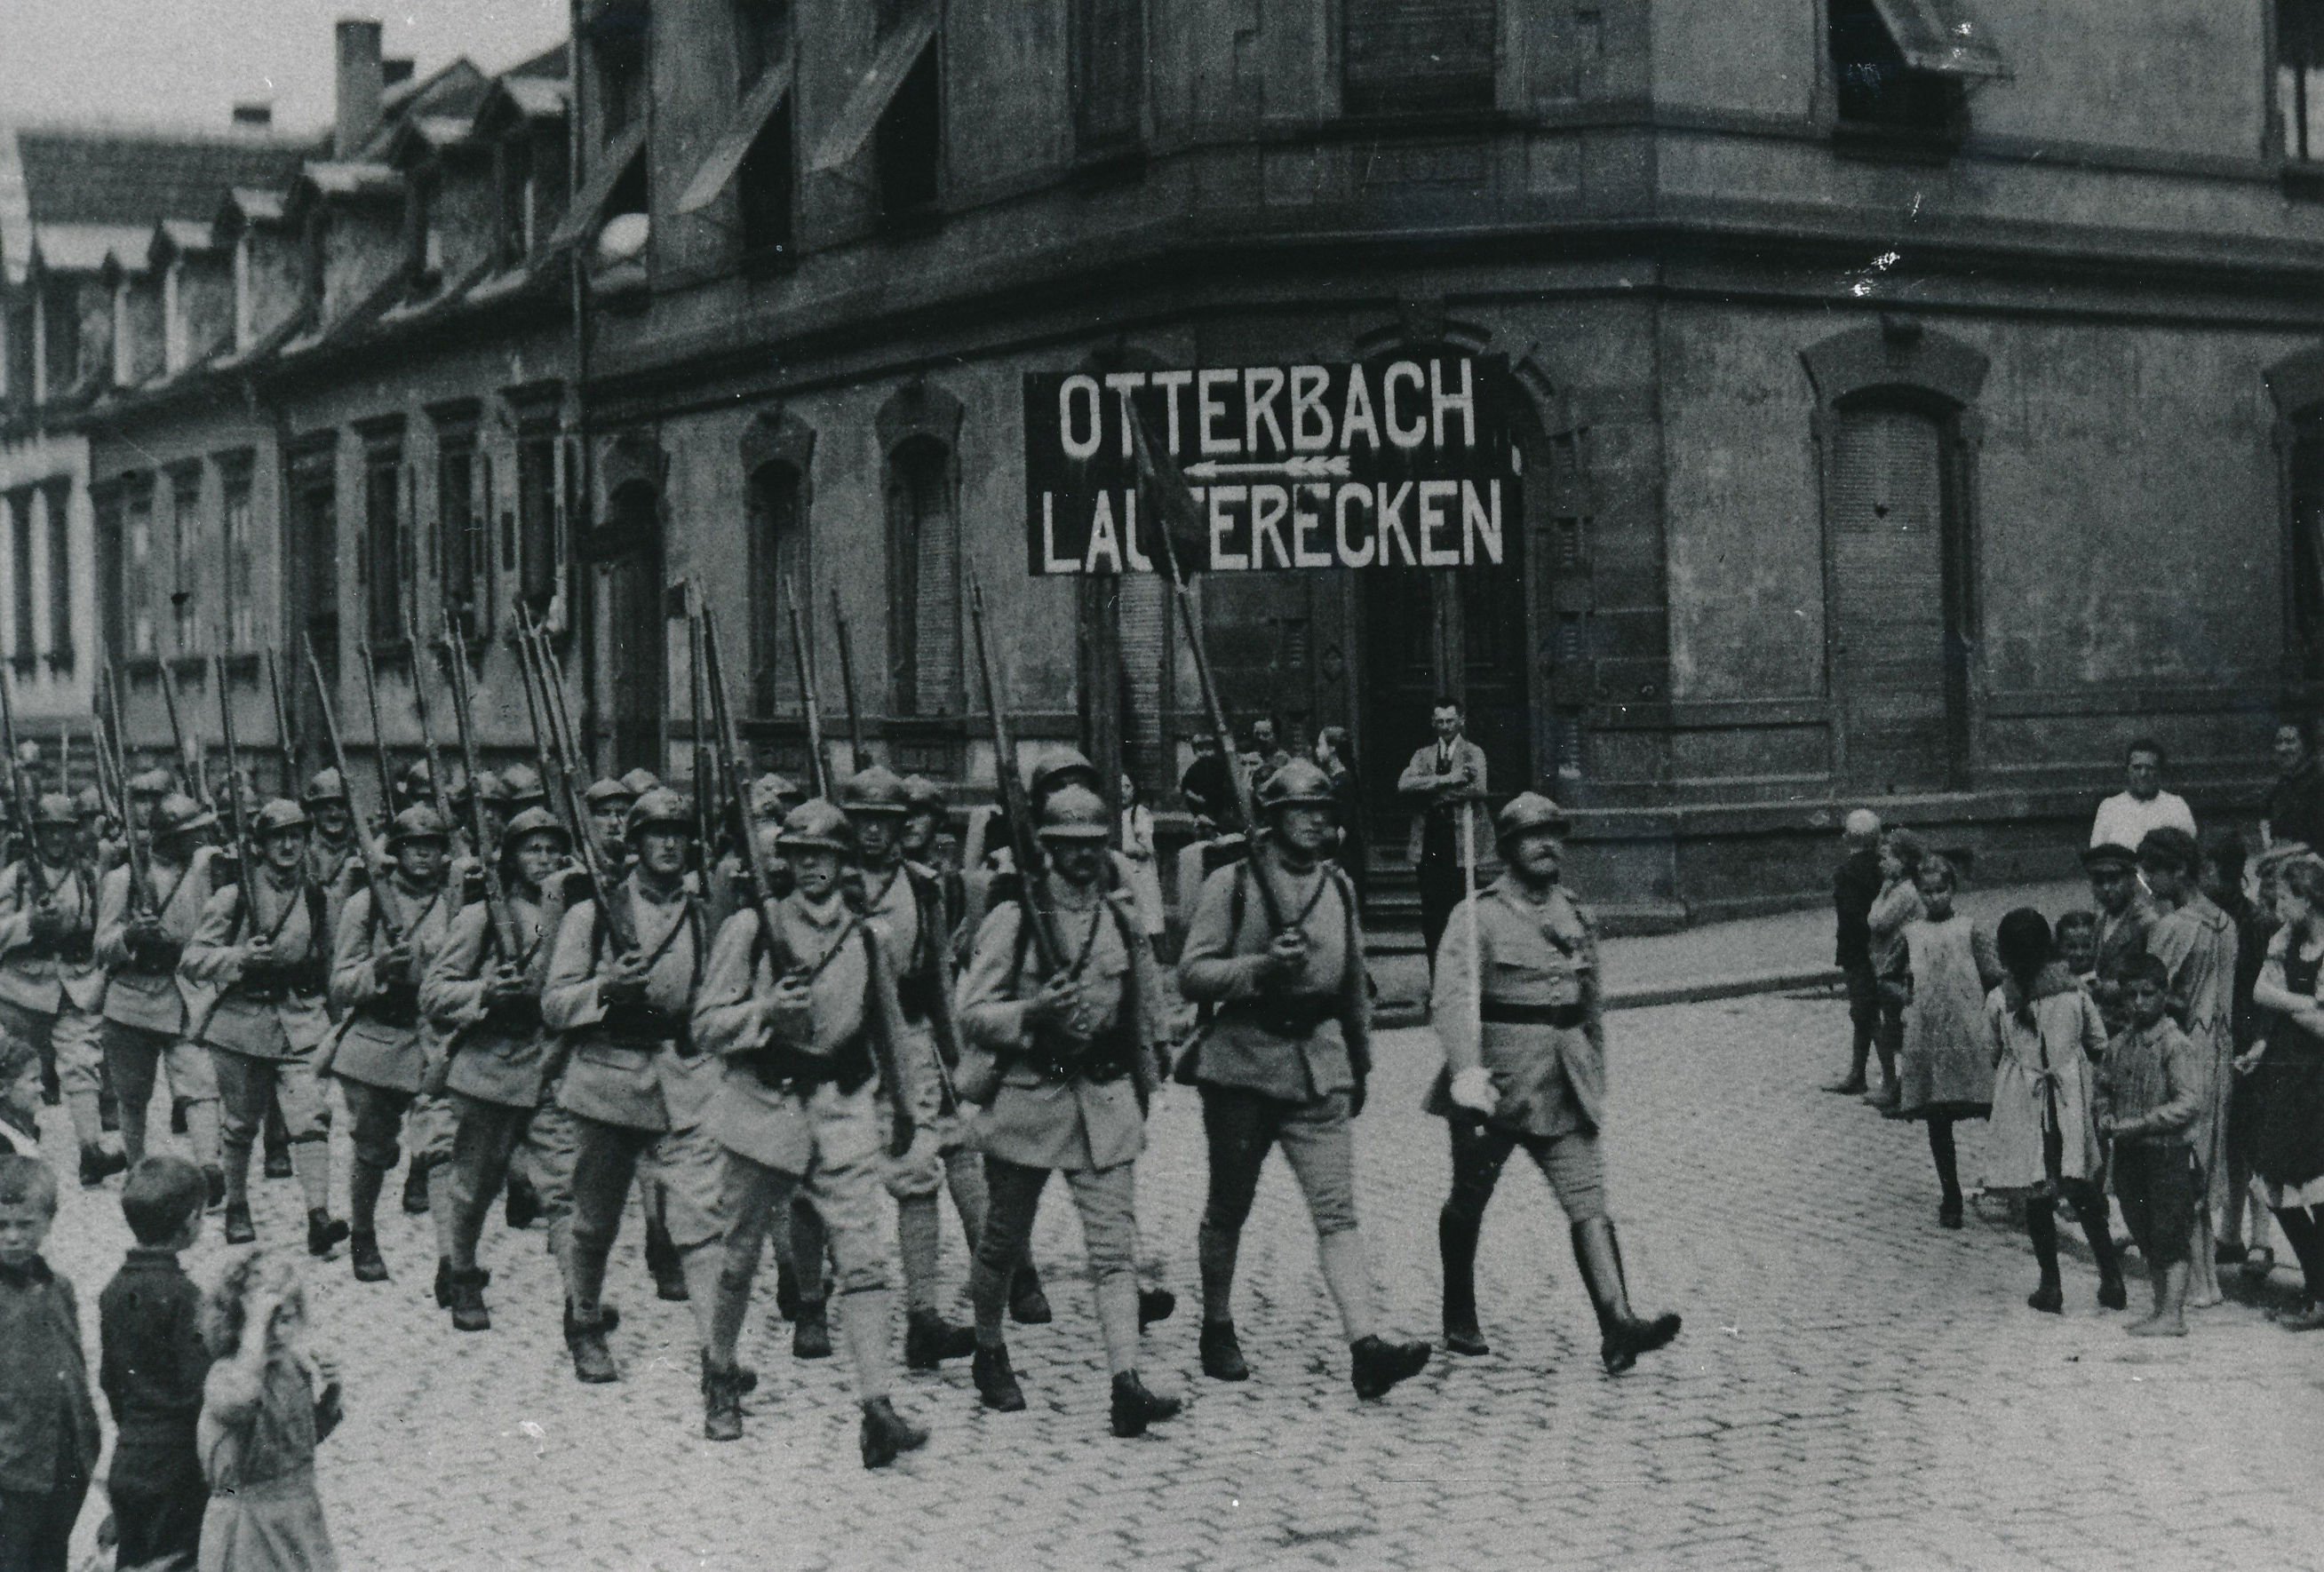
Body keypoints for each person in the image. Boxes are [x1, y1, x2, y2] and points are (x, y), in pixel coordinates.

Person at [1178, 760, 1431, 1399]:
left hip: (1319, 1067)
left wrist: (1361, 1062)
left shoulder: (1337, 889)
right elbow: (1193, 974)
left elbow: (1353, 986)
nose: (1319, 819)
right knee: (1229, 1205)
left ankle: (1365, 1344)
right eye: (1302, 809)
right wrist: (1261, 968)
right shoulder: (1230, 884)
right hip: (1241, 1063)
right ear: (1271, 817)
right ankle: (1216, 1324)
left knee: (1336, 1210)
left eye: (1325, 808)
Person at [691, 800, 934, 1462]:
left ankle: (876, 1405)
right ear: (787, 862)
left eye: (825, 857)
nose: (813, 869)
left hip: (840, 1111)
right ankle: (719, 1370)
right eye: (801, 856)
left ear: (843, 861)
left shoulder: (866, 937)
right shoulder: (750, 928)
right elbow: (706, 1024)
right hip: (765, 1107)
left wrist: (906, 1108)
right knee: (739, 1255)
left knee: (862, 1260)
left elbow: (889, 1027)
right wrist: (766, 1011)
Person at [955, 783, 1182, 1436]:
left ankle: (1125, 1382)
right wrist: (1033, 1012)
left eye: (1092, 845)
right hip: (1030, 1096)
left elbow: (1141, 1010)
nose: (1083, 858)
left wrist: (1150, 1085)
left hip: (1103, 1101)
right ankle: (990, 1350)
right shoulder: (1014, 919)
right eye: (1068, 847)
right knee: (1002, 1242)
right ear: (1047, 849)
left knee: (1114, 1254)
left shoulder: (1120, 918)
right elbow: (971, 1016)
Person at [1427, 792, 1681, 1371]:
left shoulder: (1574, 913)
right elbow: (1450, 999)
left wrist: (1595, 1072)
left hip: (1565, 1082)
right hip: (1497, 1084)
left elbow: (1592, 1006)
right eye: (1532, 837)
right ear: (1508, 848)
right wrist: (1466, 1071)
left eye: (1553, 834)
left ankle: (1617, 1322)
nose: (1546, 845)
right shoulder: (1478, 917)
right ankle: (1459, 1312)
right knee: (1470, 1198)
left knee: (1588, 1200)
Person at [539, 788, 723, 1385]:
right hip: (608, 1078)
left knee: (699, 1222)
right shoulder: (593, 914)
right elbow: (555, 1003)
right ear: (635, 844)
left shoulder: (703, 916)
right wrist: (606, 989)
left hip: (682, 1083)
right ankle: (585, 1321)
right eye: (655, 834)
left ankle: (717, 1355)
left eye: (678, 833)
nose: (668, 844)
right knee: (595, 1220)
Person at [840, 766, 983, 1371]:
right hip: (841, 1043)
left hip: (908, 1042)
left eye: (886, 822)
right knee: (821, 1177)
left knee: (918, 1170)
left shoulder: (924, 888)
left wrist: (955, 1054)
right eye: (864, 821)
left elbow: (939, 973)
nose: (875, 833)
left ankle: (923, 1315)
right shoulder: (829, 883)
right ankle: (812, 1295)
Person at [421, 807, 583, 1333]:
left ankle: (580, 1303)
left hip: (548, 1063)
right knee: (474, 1185)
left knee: (563, 1190)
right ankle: (464, 1274)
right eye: (531, 849)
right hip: (489, 1066)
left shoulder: (576, 915)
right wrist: (484, 990)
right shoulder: (483, 917)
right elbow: (435, 991)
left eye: (550, 849)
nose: (543, 859)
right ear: (511, 858)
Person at [179, 800, 347, 1256]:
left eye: (297, 835)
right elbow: (193, 959)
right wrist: (238, 959)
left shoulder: (318, 898)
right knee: (239, 1124)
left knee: (311, 1117)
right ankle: (236, 1205)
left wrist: (337, 1025)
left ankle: (318, 1215)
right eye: (279, 837)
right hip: (242, 1023)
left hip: (301, 1020)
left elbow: (331, 962)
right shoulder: (234, 897)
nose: (289, 845)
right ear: (259, 846)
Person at [327, 806, 458, 1287]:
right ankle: (363, 1233)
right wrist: (378, 970)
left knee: (442, 1150)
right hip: (378, 1039)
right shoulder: (366, 905)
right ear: (396, 851)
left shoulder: (456, 904)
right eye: (412, 845)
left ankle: (453, 1262)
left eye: (432, 846)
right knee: (372, 1149)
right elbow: (340, 983)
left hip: (433, 1040)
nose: (423, 855)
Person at [1985, 909, 2124, 1315]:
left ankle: (2051, 1284)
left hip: (2026, 1106)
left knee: (2037, 1194)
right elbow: (2099, 1042)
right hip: (2069, 1106)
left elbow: (1992, 1051)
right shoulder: (2075, 992)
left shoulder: (1999, 999)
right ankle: (2111, 1277)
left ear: (2004, 955)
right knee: (2083, 1191)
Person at [97, 793, 224, 1195]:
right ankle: (136, 1170)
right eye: (191, 833)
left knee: (200, 1085)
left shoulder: (204, 870)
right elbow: (101, 946)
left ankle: (209, 1167)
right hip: (133, 998)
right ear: (170, 837)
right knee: (133, 1095)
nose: (199, 839)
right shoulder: (124, 880)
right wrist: (130, 935)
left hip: (186, 993)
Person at [0, 791, 121, 1187]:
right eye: (48, 830)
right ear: (35, 833)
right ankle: (16, 1140)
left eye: (64, 831)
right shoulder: (17, 876)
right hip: (22, 988)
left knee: (81, 1063)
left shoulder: (88, 875)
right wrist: (29, 921)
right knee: (18, 1070)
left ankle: (91, 1151)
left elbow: (105, 926)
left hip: (74, 984)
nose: (56, 839)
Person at [195, 1246, 341, 1572]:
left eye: (286, 1320)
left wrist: (331, 1394)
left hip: (297, 1518)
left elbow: (296, 1440)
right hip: (248, 1526)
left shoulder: (291, 1369)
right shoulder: (227, 1374)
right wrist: (253, 1335)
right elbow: (239, 1402)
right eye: (265, 1323)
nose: (277, 1333)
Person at [2139, 824, 2237, 1308]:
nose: (2148, 883)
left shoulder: (2174, 927)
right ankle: (2209, 1280)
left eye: (2152, 873)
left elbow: (2153, 994)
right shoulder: (2226, 921)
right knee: (2207, 1155)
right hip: (2220, 1048)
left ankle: (2198, 1280)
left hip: (2185, 1051)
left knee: (2182, 1162)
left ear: (2178, 871)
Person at [99, 1155, 212, 1570]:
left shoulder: (113, 1292)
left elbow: (111, 1381)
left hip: (129, 1458)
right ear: (190, 1222)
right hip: (178, 1465)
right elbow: (199, 1389)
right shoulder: (186, 1297)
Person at [1886, 856, 2001, 1228]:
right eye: (1927, 891)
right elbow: (1886, 976)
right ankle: (1950, 1194)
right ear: (1918, 893)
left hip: (1970, 1030)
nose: (1934, 898)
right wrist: (1908, 1000)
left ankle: (2003, 1182)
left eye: (1941, 890)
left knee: (1992, 1105)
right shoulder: (1911, 933)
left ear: (1953, 890)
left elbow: (1992, 974)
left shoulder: (1970, 929)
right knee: (1937, 1115)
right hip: (1930, 1033)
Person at [2095, 955, 2207, 1338]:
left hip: (2166, 1152)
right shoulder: (2118, 1046)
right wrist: (2105, 1115)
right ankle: (2160, 1308)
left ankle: (2173, 1313)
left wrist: (2143, 1123)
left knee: (2170, 1231)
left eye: (2147, 993)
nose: (2138, 1002)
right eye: (2131, 995)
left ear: (2164, 994)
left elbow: (2189, 1101)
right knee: (2141, 1227)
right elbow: (2103, 1089)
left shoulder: (2176, 1045)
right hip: (2130, 1154)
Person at [0, 1155, 98, 1572]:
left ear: (49, 1220)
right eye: (1, 1225)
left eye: (25, 1224)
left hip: (65, 1462)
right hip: (11, 1474)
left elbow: (73, 1367)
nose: (12, 1237)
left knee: (51, 1558)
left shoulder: (60, 1288)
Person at [2246, 853, 2324, 1330]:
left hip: (2317, 1079)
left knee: (2316, 1187)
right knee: (2273, 1180)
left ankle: (2318, 1295)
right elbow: (2261, 992)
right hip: (2284, 1071)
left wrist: (2288, 1003)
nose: (2277, 907)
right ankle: (2317, 1283)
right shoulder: (2286, 940)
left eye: (2284, 898)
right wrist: (2308, 1001)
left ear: (2309, 898)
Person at [2206, 828, 2273, 1270]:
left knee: (2250, 1140)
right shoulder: (2209, 914)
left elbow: (2254, 988)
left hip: (2246, 1036)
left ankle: (2261, 1239)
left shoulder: (2250, 923)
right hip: (2223, 1033)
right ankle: (2230, 1234)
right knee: (2229, 1139)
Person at [1397, 698, 1488, 981]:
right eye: (1440, 721)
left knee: (1462, 913)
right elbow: (1404, 785)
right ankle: (1439, 979)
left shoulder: (1473, 753)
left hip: (1461, 845)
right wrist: (1448, 780)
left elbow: (1478, 789)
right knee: (1432, 916)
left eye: (1451, 721)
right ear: (1433, 723)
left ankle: (1465, 979)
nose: (1446, 727)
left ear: (1461, 721)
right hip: (1429, 845)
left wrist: (1431, 792)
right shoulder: (1422, 755)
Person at [1862, 829, 1927, 1111]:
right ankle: (1895, 1083)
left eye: (1886, 857)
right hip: (1887, 963)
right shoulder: (1893, 888)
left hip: (1897, 968)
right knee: (1892, 1025)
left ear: (1903, 860)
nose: (1881, 863)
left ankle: (1895, 1086)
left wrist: (1879, 899)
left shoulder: (1903, 892)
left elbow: (1878, 921)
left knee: (1895, 1025)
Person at [1825, 808, 1885, 1095]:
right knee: (1869, 1013)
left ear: (1847, 838)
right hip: (1882, 950)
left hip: (1858, 952)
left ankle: (1883, 1078)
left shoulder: (1846, 873)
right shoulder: (1884, 867)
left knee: (1864, 1014)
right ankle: (1859, 1073)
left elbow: (1851, 918)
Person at [2081, 842, 2151, 1035]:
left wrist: (2106, 989)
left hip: (2131, 1026)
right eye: (2098, 881)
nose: (2106, 888)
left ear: (2131, 879)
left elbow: (2153, 979)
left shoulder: (2145, 922)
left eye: (2113, 880)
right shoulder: (2100, 921)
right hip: (2104, 1025)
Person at [2089, 737, 2196, 851]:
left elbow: (2189, 855)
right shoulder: (2109, 807)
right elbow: (2097, 855)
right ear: (2127, 770)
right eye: (2137, 767)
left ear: (2160, 771)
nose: (2143, 773)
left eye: (2150, 768)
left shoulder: (2176, 805)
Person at [1314, 727, 1365, 907]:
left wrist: (1330, 856)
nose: (1316, 750)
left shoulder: (1344, 782)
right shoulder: (1332, 779)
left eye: (1320, 745)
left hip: (1344, 857)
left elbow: (1344, 825)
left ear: (1332, 748)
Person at [2264, 719, 2324, 854]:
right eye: (2279, 742)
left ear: (2307, 747)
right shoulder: (2281, 787)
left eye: (2290, 742)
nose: (2283, 749)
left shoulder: (2319, 784)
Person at [1118, 774, 1166, 941]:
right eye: (1119, 787)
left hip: (1140, 873)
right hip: (1123, 872)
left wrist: (1122, 849)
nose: (1122, 791)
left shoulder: (1139, 813)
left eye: (1127, 787)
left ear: (1134, 789)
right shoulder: (1113, 814)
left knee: (1146, 916)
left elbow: (1146, 849)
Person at [1177, 732, 1238, 834]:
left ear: (1215, 750)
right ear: (1194, 751)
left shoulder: (1220, 768)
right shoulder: (1193, 770)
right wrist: (1195, 797)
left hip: (1219, 806)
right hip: (1201, 805)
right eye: (1200, 750)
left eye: (1209, 749)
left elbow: (1227, 786)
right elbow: (1185, 788)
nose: (1205, 753)